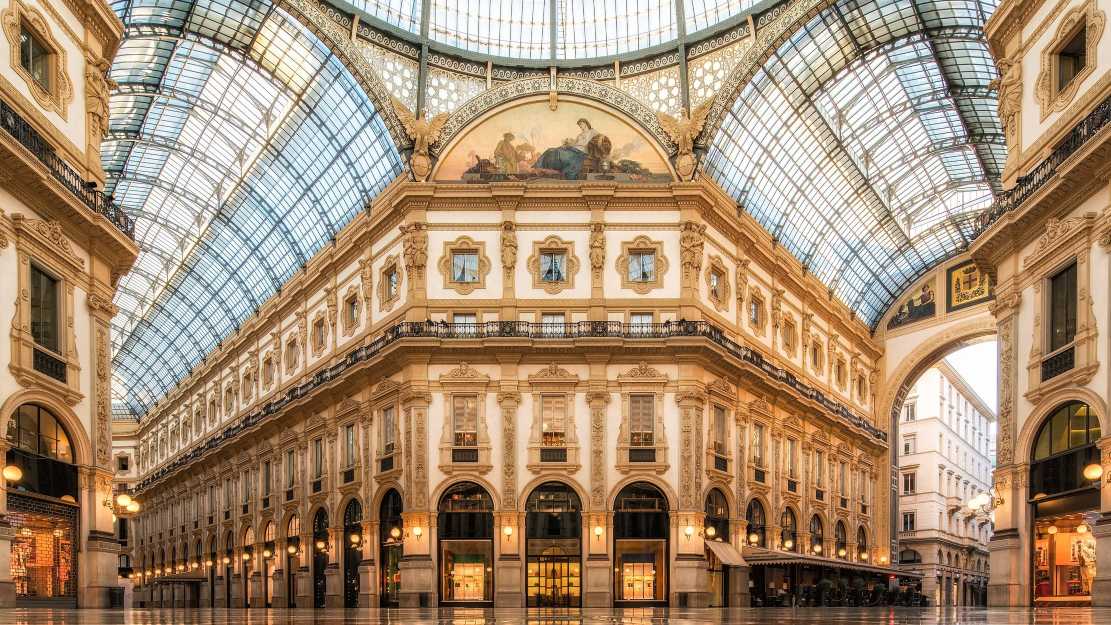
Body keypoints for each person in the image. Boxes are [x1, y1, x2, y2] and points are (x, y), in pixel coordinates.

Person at [533, 118, 599, 179]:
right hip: (574, 148)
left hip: (581, 152)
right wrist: (568, 142)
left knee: (559, 152)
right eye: (579, 125)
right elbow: (575, 143)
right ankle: (536, 167)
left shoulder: (592, 131)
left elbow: (600, 138)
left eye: (581, 124)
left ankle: (546, 168)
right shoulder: (580, 135)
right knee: (551, 150)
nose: (580, 126)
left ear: (585, 123)